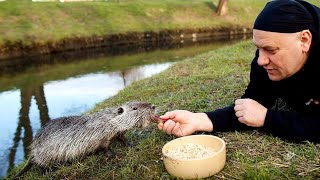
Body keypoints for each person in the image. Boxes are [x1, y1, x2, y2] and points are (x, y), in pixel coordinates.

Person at [157, 0, 320, 143]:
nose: (261, 61)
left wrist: (267, 118)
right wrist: (198, 120)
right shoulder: (263, 61)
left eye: (270, 50)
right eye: (259, 49)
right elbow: (252, 105)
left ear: (304, 41)